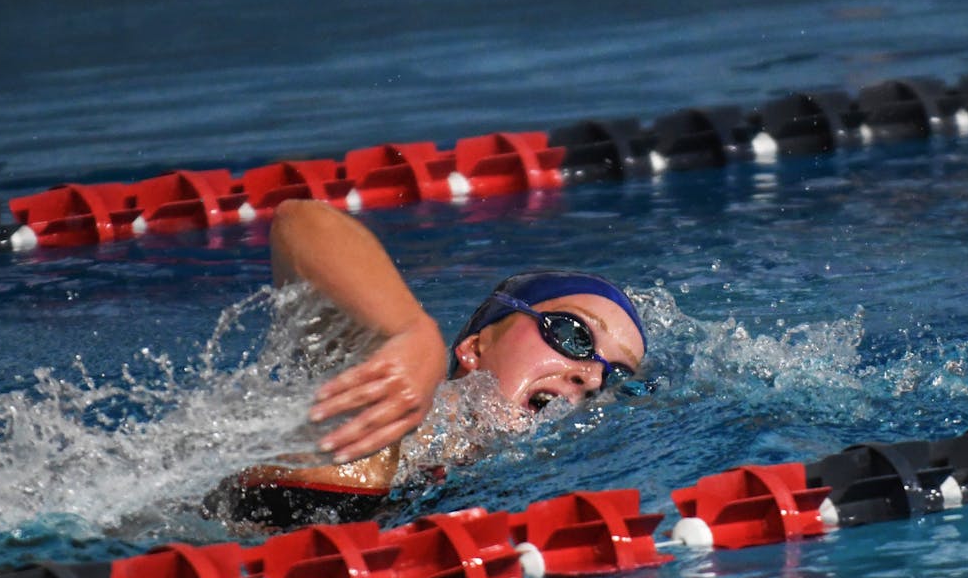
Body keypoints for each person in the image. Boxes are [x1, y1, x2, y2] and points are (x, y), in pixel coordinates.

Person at [207, 198, 648, 528]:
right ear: (475, 347)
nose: (592, 376)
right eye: (573, 335)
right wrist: (408, 330)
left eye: (617, 377)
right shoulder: (378, 391)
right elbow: (299, 222)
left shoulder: (511, 489)